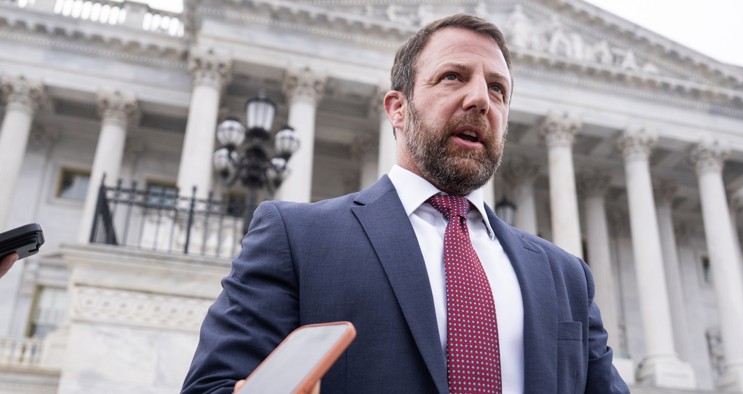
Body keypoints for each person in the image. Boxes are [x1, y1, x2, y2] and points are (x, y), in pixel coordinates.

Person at [182, 13, 628, 394]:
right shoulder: (298, 239)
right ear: (397, 108)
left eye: (498, 90)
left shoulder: (566, 276)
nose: (480, 99)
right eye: (453, 76)